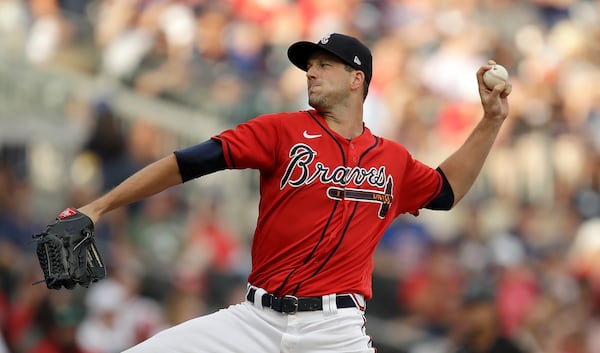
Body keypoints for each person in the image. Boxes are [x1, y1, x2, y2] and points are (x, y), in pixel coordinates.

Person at [74, 33, 511, 352]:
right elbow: (187, 163)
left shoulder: (393, 160)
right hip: (254, 321)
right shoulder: (281, 130)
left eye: (325, 65)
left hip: (334, 331)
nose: (311, 72)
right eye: (309, 66)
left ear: (357, 79)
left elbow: (446, 189)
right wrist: (98, 206)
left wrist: (490, 121)